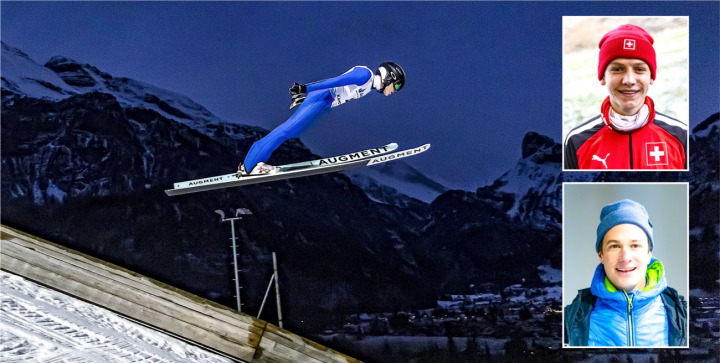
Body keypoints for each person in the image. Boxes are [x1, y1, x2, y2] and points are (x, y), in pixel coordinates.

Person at [239, 62, 405, 175]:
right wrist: (307, 89)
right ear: (389, 77)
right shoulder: (365, 75)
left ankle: (250, 164)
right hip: (323, 97)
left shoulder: (368, 86)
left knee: (290, 130)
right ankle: (250, 165)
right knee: (288, 129)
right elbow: (337, 80)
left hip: (325, 101)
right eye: (396, 85)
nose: (395, 90)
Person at [564, 199, 687, 347]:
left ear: (649, 254)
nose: (625, 258)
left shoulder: (683, 315)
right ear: (601, 256)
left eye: (635, 245)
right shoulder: (569, 319)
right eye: (614, 246)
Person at [564, 24, 687, 170]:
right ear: (603, 77)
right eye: (617, 69)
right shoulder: (577, 141)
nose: (629, 80)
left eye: (639, 69)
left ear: (651, 77)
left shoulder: (682, 136)